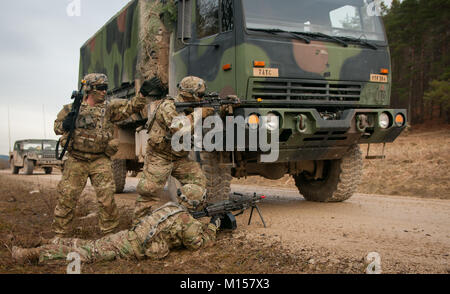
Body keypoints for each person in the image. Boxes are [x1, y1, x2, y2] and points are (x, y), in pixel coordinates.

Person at [11, 185, 219, 264]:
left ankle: (44, 241)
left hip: (127, 237)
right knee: (86, 254)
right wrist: (213, 226)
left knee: (88, 243)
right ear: (194, 203)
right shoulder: (185, 220)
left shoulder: (170, 207)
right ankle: (34, 253)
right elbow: (199, 243)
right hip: (131, 247)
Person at [53, 73, 147, 236]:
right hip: (77, 160)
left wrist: (142, 95)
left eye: (106, 88)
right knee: (67, 198)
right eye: (101, 88)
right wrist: (66, 124)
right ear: (90, 89)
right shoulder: (71, 109)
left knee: (107, 199)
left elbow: (130, 108)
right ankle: (60, 235)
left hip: (99, 160)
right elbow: (57, 128)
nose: (105, 92)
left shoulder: (109, 109)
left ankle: (110, 236)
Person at [133, 76, 215, 221]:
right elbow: (178, 127)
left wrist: (226, 107)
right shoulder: (168, 106)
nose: (202, 98)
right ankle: (138, 229)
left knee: (198, 182)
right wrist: (199, 114)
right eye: (200, 95)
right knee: (149, 194)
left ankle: (190, 220)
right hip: (160, 156)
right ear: (189, 94)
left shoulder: (193, 106)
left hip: (180, 157)